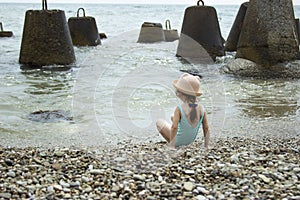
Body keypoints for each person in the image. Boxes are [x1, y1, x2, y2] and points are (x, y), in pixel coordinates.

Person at [156, 73, 210, 149]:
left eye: (178, 91)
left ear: (184, 94)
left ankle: (172, 143)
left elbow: (174, 127)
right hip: (190, 140)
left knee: (159, 122)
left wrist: (172, 145)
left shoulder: (179, 108)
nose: (176, 94)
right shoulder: (202, 109)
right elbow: (206, 128)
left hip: (178, 141)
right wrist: (206, 146)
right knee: (173, 117)